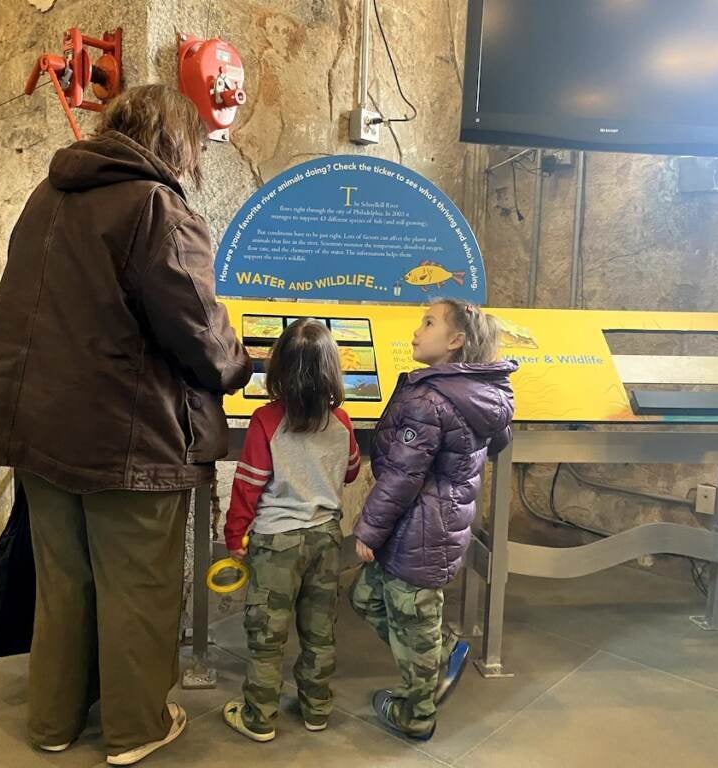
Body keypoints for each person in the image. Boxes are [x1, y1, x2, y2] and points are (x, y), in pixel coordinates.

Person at [0, 84, 251, 766]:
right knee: (137, 588)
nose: (200, 155)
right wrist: (238, 366)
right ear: (175, 139)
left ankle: (53, 722)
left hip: (42, 432)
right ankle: (136, 728)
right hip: (130, 437)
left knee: (64, 584)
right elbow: (199, 332)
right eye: (198, 142)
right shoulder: (157, 208)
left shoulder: (47, 196)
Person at [350, 298, 517, 740]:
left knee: (412, 618)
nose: (416, 331)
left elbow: (401, 478)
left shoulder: (428, 399)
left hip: (418, 532)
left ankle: (417, 712)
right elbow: (496, 442)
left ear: (455, 341)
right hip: (431, 527)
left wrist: (368, 530)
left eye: (428, 323)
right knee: (367, 599)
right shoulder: (480, 393)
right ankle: (438, 651)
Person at [221, 319, 361, 742]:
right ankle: (317, 708)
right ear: (331, 371)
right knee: (319, 630)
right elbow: (352, 472)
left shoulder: (266, 421)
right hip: (325, 538)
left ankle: (259, 717)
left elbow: (248, 486)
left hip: (275, 543)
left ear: (278, 368)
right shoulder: (342, 420)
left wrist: (234, 538)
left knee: (268, 633)